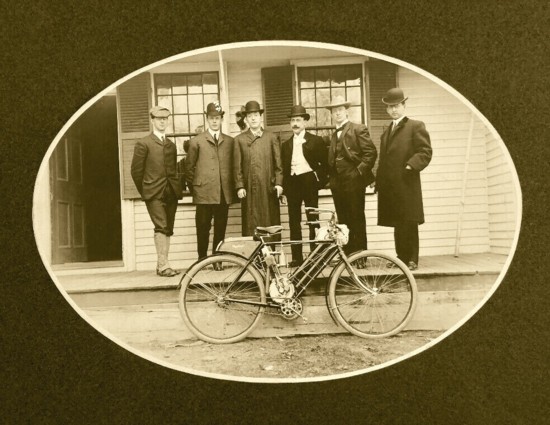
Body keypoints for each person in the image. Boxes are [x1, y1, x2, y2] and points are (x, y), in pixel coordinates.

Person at [376, 88, 432, 270]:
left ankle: (412, 259)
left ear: (404, 106)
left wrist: (411, 165)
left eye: (397, 105)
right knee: (397, 222)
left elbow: (425, 152)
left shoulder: (415, 126)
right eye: (390, 107)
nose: (393, 110)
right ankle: (401, 257)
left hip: (407, 183)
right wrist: (379, 181)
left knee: (409, 221)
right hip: (391, 186)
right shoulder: (386, 133)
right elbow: (383, 160)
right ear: (387, 109)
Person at [131, 106, 183, 277]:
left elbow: (174, 170)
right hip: (153, 192)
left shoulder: (171, 145)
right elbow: (136, 172)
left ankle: (162, 264)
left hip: (171, 192)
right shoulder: (143, 143)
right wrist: (146, 190)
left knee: (168, 227)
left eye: (165, 119)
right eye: (159, 118)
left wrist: (176, 188)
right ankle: (163, 266)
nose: (162, 121)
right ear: (152, 120)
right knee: (161, 225)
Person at [185, 101, 235, 268]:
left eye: (218, 118)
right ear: (207, 119)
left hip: (222, 192)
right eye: (212, 118)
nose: (215, 121)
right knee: (203, 228)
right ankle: (202, 259)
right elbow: (189, 168)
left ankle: (217, 259)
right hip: (203, 192)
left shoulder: (229, 141)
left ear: (221, 120)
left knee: (220, 228)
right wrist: (195, 189)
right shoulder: (196, 141)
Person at [326, 97, 377, 255]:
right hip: (338, 183)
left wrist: (358, 172)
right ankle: (348, 252)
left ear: (346, 111)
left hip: (354, 181)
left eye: (340, 110)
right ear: (332, 114)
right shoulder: (334, 135)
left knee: (357, 218)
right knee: (343, 220)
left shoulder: (358, 129)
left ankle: (361, 254)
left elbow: (371, 153)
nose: (337, 113)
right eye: (334, 111)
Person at [281, 105, 328, 267]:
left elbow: (325, 165)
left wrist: (318, 182)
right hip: (293, 183)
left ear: (305, 122)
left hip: (309, 181)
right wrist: (284, 190)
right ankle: (297, 257)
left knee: (312, 219)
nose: (295, 123)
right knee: (294, 221)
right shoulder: (286, 145)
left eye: (298, 120)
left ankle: (316, 256)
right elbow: (284, 169)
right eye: (293, 120)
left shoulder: (316, 141)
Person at [233, 100, 283, 237]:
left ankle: (271, 256)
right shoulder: (239, 140)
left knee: (270, 225)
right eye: (250, 116)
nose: (253, 118)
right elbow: (236, 167)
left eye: (255, 115)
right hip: (249, 190)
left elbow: (278, 165)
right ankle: (254, 257)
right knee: (252, 226)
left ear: (260, 117)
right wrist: (240, 186)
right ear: (246, 119)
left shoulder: (271, 138)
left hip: (268, 189)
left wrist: (279, 184)